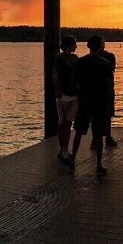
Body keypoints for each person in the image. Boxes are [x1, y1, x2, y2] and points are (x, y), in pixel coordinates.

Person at [69, 35, 115, 176]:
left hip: (85, 100)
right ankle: (99, 164)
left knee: (78, 131)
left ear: (88, 46)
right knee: (99, 134)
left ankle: (73, 160)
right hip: (99, 101)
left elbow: (75, 81)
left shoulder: (80, 62)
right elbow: (108, 84)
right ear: (100, 46)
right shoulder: (104, 63)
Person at [53, 35, 79, 167]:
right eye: (74, 44)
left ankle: (65, 150)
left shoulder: (75, 58)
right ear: (69, 45)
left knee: (68, 123)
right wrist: (59, 91)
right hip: (63, 95)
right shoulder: (59, 58)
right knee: (62, 123)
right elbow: (55, 75)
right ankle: (62, 148)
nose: (76, 46)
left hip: (74, 95)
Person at [95, 39, 118, 147]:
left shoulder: (89, 59)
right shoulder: (110, 56)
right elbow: (112, 69)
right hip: (107, 88)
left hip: (99, 89)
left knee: (97, 115)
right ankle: (107, 137)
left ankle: (97, 139)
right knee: (107, 114)